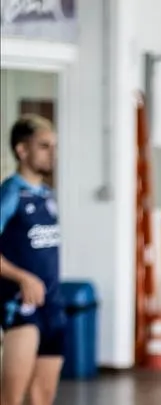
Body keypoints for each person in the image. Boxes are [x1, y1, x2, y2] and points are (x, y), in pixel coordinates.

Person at [0, 114, 64, 405]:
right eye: (44, 146)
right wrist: (22, 277)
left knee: (43, 395)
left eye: (54, 146)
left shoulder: (48, 195)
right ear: (21, 150)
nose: (52, 153)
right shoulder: (10, 193)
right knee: (12, 397)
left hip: (52, 304)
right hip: (21, 306)